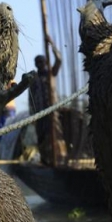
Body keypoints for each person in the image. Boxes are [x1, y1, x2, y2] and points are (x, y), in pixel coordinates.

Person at [28, 37, 66, 165]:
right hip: (40, 113)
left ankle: (60, 158)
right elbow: (31, 97)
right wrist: (32, 114)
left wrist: (52, 45)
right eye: (37, 62)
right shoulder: (34, 79)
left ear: (45, 62)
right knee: (42, 136)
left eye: (41, 62)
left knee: (56, 133)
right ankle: (45, 160)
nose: (40, 64)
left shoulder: (51, 73)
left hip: (52, 110)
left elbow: (59, 59)